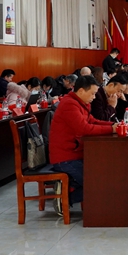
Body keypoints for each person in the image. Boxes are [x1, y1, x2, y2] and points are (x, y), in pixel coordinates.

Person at [49, 75, 118, 214]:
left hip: (76, 153)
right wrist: (111, 129)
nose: (94, 97)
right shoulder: (69, 104)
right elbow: (84, 129)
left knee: (103, 176)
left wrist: (113, 125)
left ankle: (70, 187)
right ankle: (64, 199)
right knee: (96, 183)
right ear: (81, 91)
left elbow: (92, 121)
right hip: (65, 158)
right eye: (92, 93)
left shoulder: (81, 103)